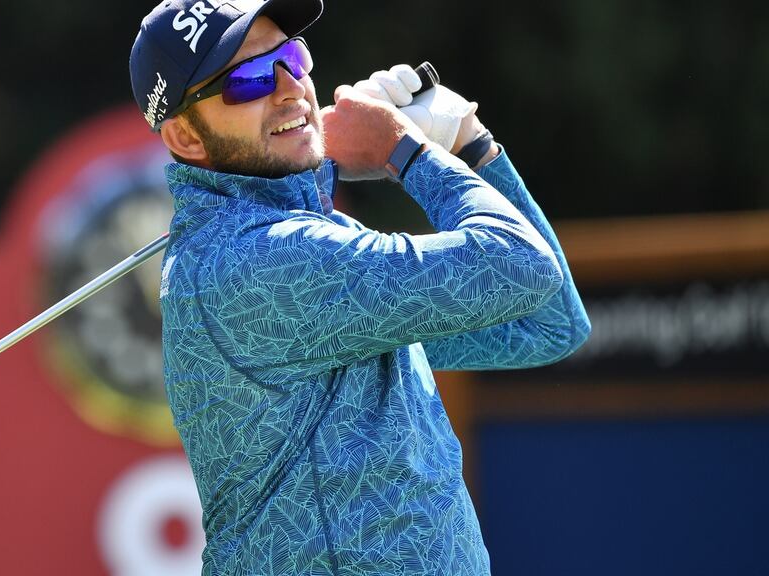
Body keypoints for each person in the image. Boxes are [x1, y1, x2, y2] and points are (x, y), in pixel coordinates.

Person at [130, 0, 590, 573]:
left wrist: (472, 146)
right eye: (248, 80)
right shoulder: (255, 262)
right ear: (186, 137)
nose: (290, 87)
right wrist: (406, 151)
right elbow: (521, 266)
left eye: (291, 57)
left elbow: (550, 324)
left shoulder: (314, 242)